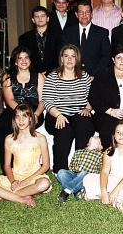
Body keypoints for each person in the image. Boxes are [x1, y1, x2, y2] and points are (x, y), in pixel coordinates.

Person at [0, 104, 51, 207]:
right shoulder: (9, 139)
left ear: (31, 118)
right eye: (17, 116)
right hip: (15, 177)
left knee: (44, 184)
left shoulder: (40, 138)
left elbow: (46, 166)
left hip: (34, 177)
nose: (21, 120)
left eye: (24, 116)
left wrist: (25, 182)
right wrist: (13, 181)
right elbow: (7, 165)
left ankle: (1, 194)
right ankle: (20, 198)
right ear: (14, 119)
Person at [42, 45, 95, 173]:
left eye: (73, 56)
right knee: (64, 130)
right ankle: (60, 170)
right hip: (57, 114)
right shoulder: (53, 76)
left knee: (84, 125)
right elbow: (47, 100)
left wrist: (88, 108)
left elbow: (94, 96)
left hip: (79, 113)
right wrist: (59, 115)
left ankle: (79, 167)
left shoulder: (84, 76)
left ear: (77, 59)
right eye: (66, 56)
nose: (69, 59)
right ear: (61, 58)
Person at [0, 46, 45, 173]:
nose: (23, 61)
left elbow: (43, 100)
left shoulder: (39, 77)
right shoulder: (7, 77)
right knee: (2, 133)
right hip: (13, 109)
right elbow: (10, 100)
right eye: (20, 58)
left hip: (33, 111)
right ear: (15, 61)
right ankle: (8, 169)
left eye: (26, 58)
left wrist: (36, 115)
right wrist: (20, 114)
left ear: (30, 61)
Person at [89, 43, 123, 149]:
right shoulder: (102, 75)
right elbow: (93, 97)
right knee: (107, 128)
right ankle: (110, 158)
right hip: (108, 113)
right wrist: (110, 111)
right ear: (113, 60)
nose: (122, 61)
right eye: (119, 58)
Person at [82, 121, 123, 212]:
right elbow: (105, 172)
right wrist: (103, 191)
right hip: (113, 179)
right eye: (118, 132)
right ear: (114, 135)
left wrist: (115, 191)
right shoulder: (109, 151)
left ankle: (109, 196)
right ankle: (110, 198)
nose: (121, 135)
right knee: (88, 177)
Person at [61, 0, 111, 78]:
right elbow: (63, 54)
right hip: (72, 76)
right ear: (76, 15)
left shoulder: (102, 33)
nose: (84, 15)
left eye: (87, 12)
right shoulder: (67, 32)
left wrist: (95, 75)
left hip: (95, 77)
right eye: (81, 12)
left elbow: (106, 56)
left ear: (91, 14)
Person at [56, 135, 103, 203]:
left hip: (87, 175)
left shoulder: (100, 154)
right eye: (93, 137)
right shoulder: (78, 151)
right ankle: (77, 190)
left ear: (99, 146)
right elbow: (72, 165)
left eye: (98, 139)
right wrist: (72, 171)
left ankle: (67, 191)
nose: (95, 136)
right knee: (61, 172)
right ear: (88, 142)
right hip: (74, 174)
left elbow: (100, 169)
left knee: (84, 173)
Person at [19, 6, 58, 74]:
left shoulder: (58, 36)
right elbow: (23, 58)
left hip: (54, 75)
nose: (40, 18)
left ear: (48, 18)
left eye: (43, 16)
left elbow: (61, 57)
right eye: (37, 16)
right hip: (32, 75)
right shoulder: (24, 38)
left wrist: (50, 71)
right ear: (33, 20)